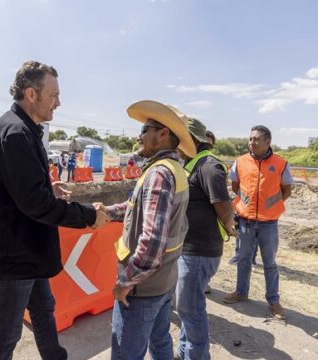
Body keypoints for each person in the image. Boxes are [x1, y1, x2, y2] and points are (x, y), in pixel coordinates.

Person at [0, 60, 108, 360]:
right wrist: (89, 216)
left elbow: (18, 186)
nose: (59, 102)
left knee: (44, 312)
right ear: (31, 93)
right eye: (53, 95)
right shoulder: (14, 133)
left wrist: (49, 184)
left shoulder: (25, 130)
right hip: (15, 254)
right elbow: (34, 204)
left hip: (31, 250)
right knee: (5, 337)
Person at [97, 100, 196, 359]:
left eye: (144, 129)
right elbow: (137, 207)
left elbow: (151, 243)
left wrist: (124, 282)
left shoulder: (159, 174)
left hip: (141, 288)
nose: (139, 136)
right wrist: (108, 212)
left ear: (163, 134)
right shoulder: (174, 169)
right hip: (163, 280)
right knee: (160, 341)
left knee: (125, 353)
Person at [176, 118, 236, 359]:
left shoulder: (208, 166)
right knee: (187, 307)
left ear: (193, 140)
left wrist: (229, 226)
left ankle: (197, 355)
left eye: (180, 138)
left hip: (199, 250)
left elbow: (223, 205)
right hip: (189, 248)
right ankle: (184, 351)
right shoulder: (192, 164)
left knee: (190, 308)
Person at [223, 125, 293, 320]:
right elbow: (235, 185)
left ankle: (273, 300)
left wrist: (271, 205)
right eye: (250, 139)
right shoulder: (241, 161)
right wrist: (245, 205)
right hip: (245, 221)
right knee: (243, 259)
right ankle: (241, 292)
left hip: (269, 223)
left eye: (256, 139)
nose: (252, 142)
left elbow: (286, 190)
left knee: (269, 262)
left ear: (268, 142)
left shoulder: (281, 163)